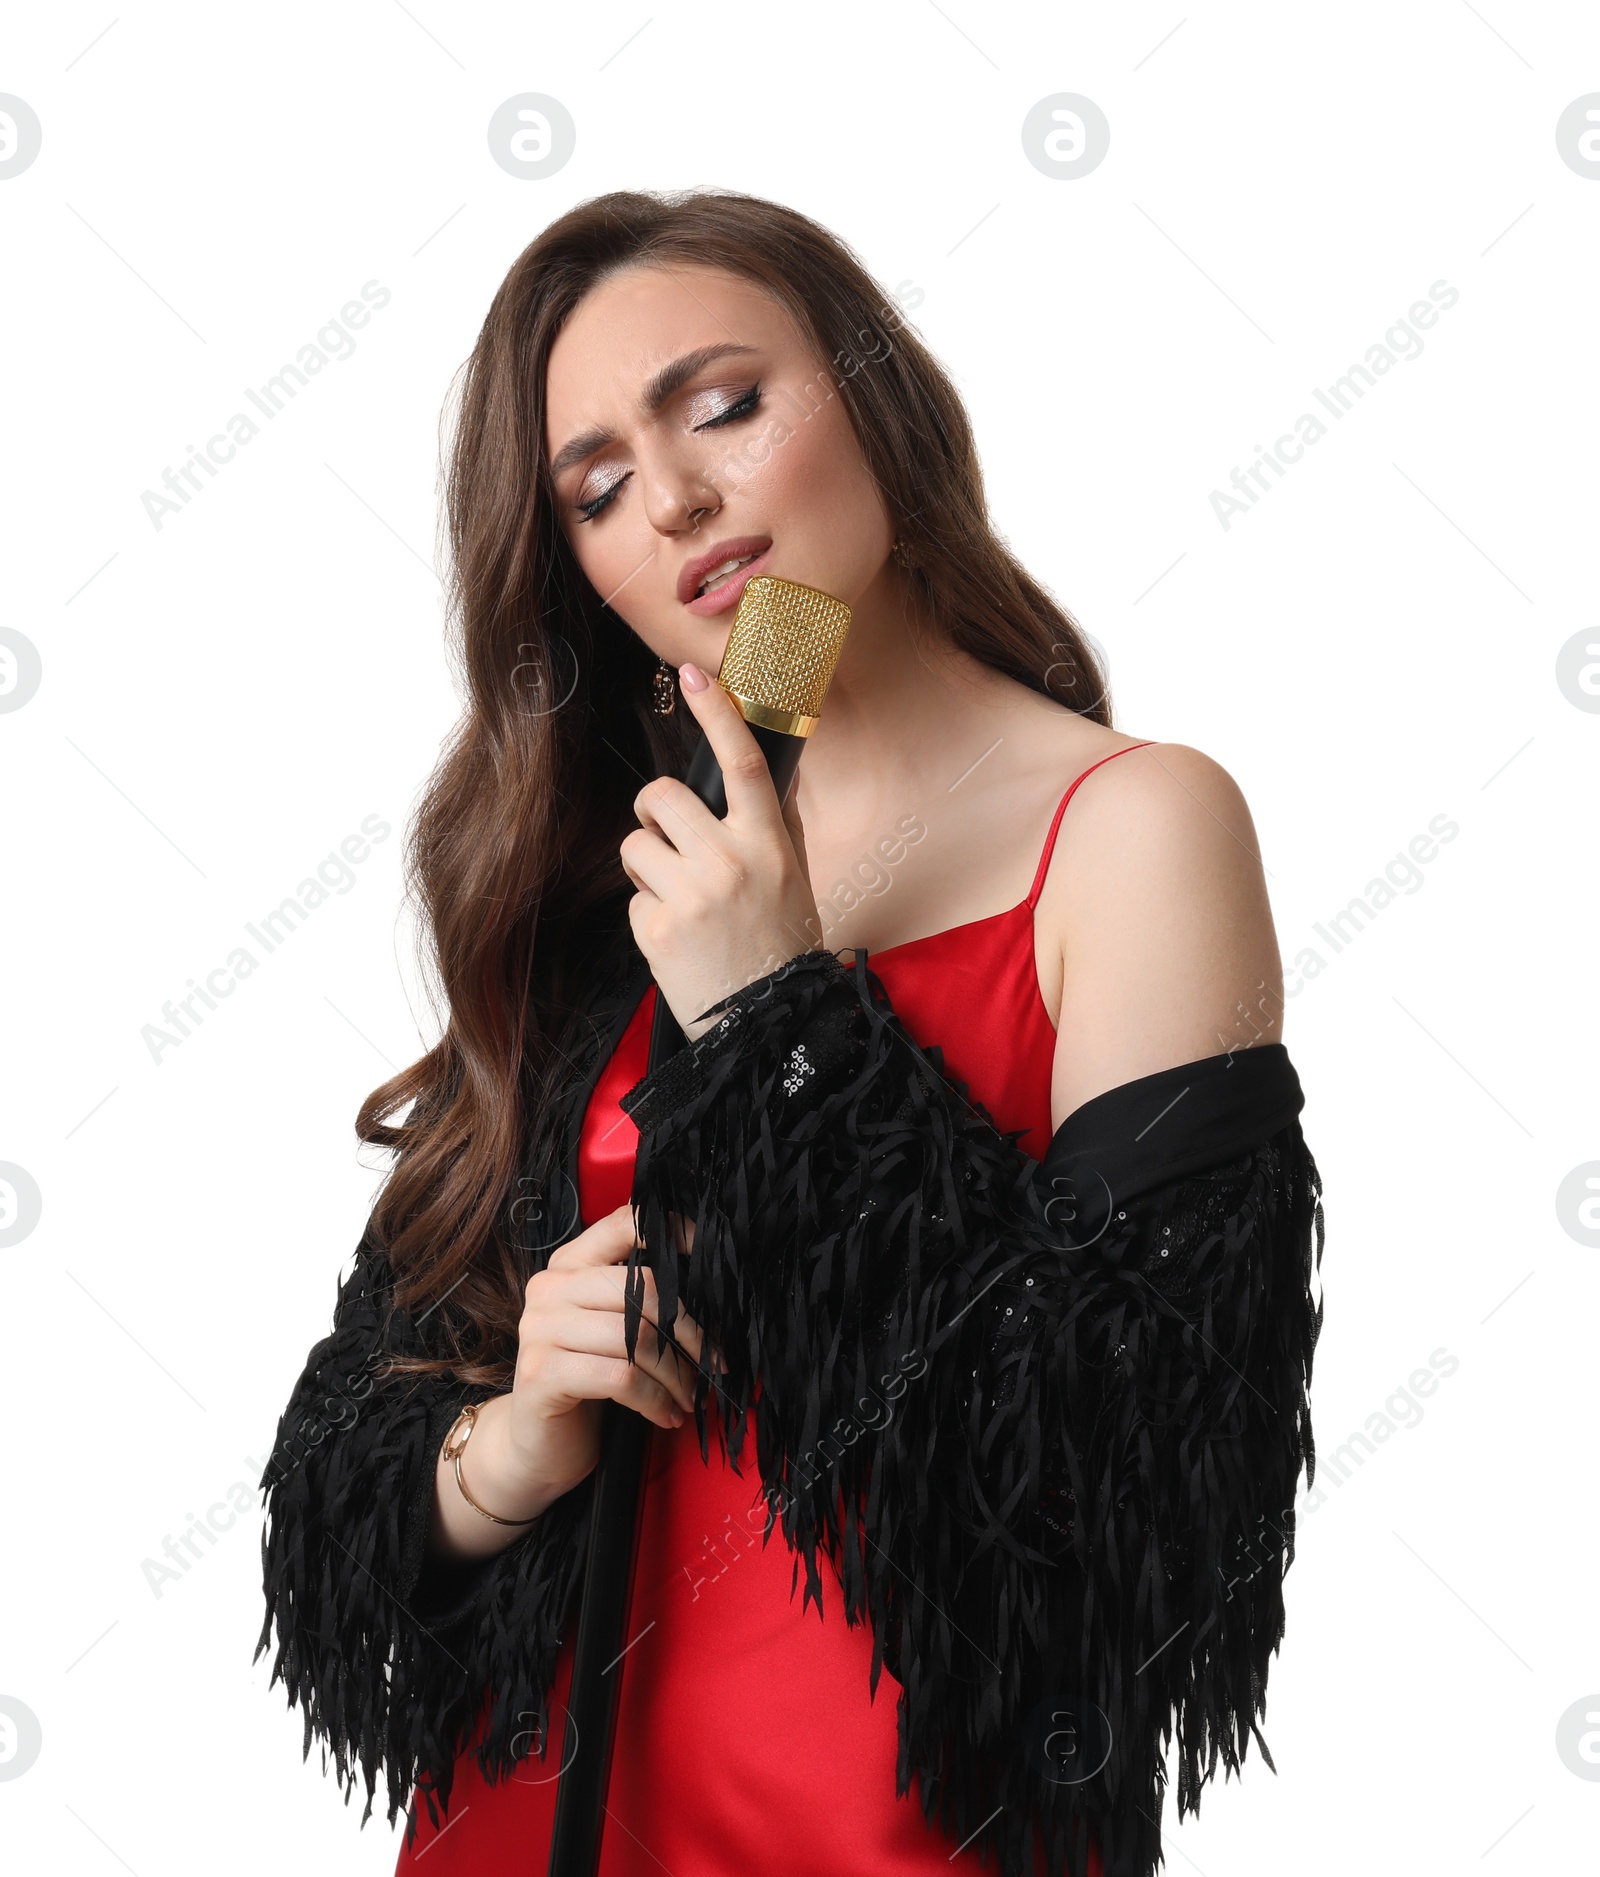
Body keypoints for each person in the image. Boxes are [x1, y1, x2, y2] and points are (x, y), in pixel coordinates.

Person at [257, 188, 1325, 1877]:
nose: (674, 499)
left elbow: (1147, 1508)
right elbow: (337, 1465)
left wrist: (773, 1018)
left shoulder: (1136, 829)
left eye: (726, 406)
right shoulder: (635, 870)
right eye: (598, 491)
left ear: (877, 396)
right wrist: (511, 1440)